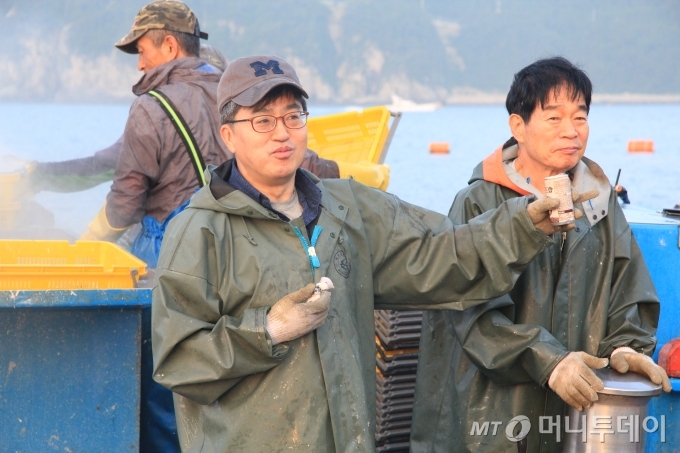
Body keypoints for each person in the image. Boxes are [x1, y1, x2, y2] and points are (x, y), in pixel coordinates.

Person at [150, 54, 591, 453]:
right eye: (262, 121)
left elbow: (441, 252)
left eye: (293, 116)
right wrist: (266, 331)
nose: (281, 132)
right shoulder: (199, 230)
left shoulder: (349, 209)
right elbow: (179, 361)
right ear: (228, 135)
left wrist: (524, 223)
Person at [410, 57, 671, 453]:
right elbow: (471, 313)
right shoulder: (478, 202)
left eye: (580, 117)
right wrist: (549, 361)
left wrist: (626, 349)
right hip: (489, 426)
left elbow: (628, 290)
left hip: (577, 422)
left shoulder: (600, 204)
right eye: (553, 118)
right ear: (519, 126)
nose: (571, 131)